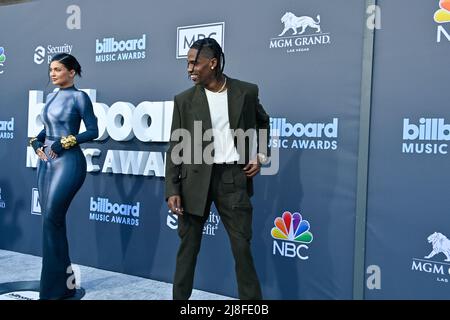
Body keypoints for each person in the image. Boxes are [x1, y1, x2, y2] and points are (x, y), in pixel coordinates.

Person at [165, 38, 270, 300]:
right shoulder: (184, 100)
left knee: (241, 249)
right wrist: (172, 188)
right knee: (187, 250)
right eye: (188, 63)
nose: (189, 69)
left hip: (233, 178)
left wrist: (262, 155)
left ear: (212, 63)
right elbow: (176, 146)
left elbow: (264, 123)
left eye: (194, 63)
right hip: (193, 182)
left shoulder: (246, 92)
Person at [29, 53, 98, 300]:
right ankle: (64, 286)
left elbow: (93, 131)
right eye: (51, 70)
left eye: (58, 69)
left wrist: (67, 141)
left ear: (72, 72)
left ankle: (53, 290)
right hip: (46, 161)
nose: (53, 74)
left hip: (69, 163)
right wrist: (37, 139)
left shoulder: (80, 98)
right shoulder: (51, 97)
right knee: (51, 222)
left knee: (52, 221)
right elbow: (47, 129)